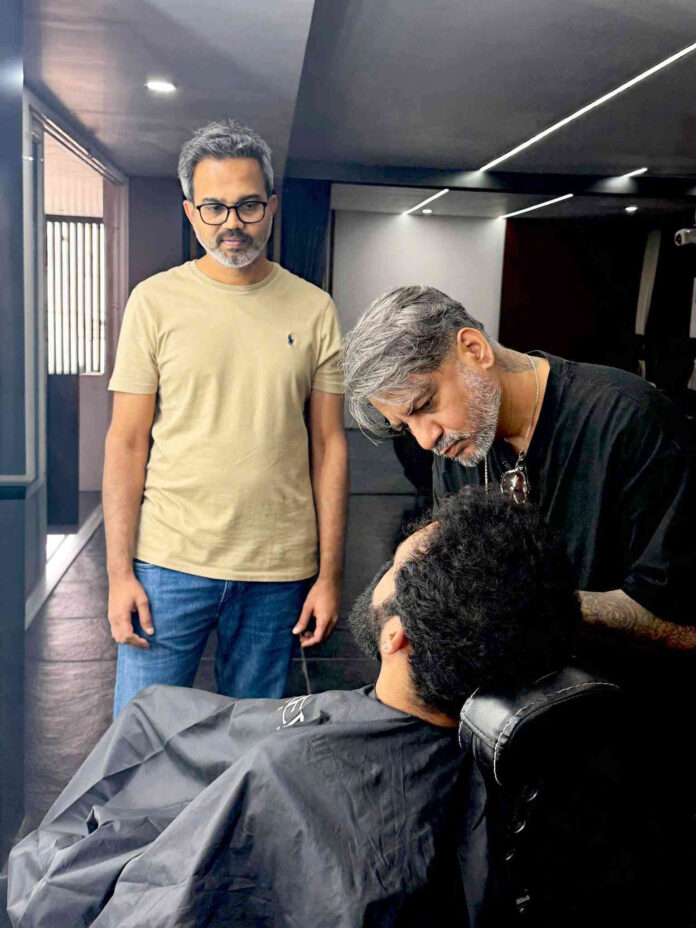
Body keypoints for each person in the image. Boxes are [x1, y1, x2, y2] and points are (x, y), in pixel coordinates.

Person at [7, 491, 582, 927]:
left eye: (394, 567)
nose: (382, 570)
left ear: (396, 637)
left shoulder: (286, 772)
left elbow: (158, 904)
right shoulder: (488, 764)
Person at [103, 120, 348, 717]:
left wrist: (330, 576)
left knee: (252, 744)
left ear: (271, 207)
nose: (231, 223)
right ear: (191, 212)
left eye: (248, 205)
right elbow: (127, 442)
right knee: (141, 738)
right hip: (168, 562)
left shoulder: (315, 309)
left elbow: (329, 447)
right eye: (214, 207)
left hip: (278, 568)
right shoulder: (153, 302)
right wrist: (117, 574)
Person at [342, 284, 695, 658]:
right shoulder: (457, 448)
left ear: (474, 350)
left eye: (426, 404)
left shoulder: (633, 422)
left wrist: (521, 603)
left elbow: (683, 625)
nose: (426, 440)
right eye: (406, 426)